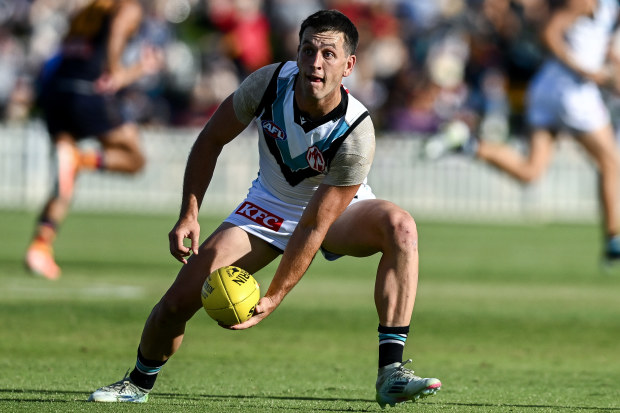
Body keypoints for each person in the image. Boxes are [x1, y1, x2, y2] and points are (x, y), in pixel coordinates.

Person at [87, 10, 441, 407]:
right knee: (175, 304)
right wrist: (189, 213)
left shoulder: (356, 130)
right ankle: (136, 385)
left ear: (349, 65)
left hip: (336, 211)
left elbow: (314, 225)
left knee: (401, 227)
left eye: (328, 54)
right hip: (267, 205)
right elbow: (209, 140)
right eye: (308, 50)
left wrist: (274, 296)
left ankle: (390, 373)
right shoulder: (269, 83)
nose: (316, 62)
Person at [425, 0, 620, 265]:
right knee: (610, 161)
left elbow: (602, 47)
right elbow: (549, 33)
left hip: (547, 88)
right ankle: (613, 239)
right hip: (571, 89)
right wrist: (586, 71)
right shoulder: (590, 2)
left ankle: (467, 142)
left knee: (531, 171)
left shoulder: (609, 9)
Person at [25, 0, 162, 280]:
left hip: (57, 94)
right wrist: (128, 69)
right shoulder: (127, 7)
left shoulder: (87, 9)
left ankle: (40, 247)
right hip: (87, 92)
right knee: (135, 158)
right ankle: (81, 159)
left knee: (64, 179)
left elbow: (63, 53)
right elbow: (116, 39)